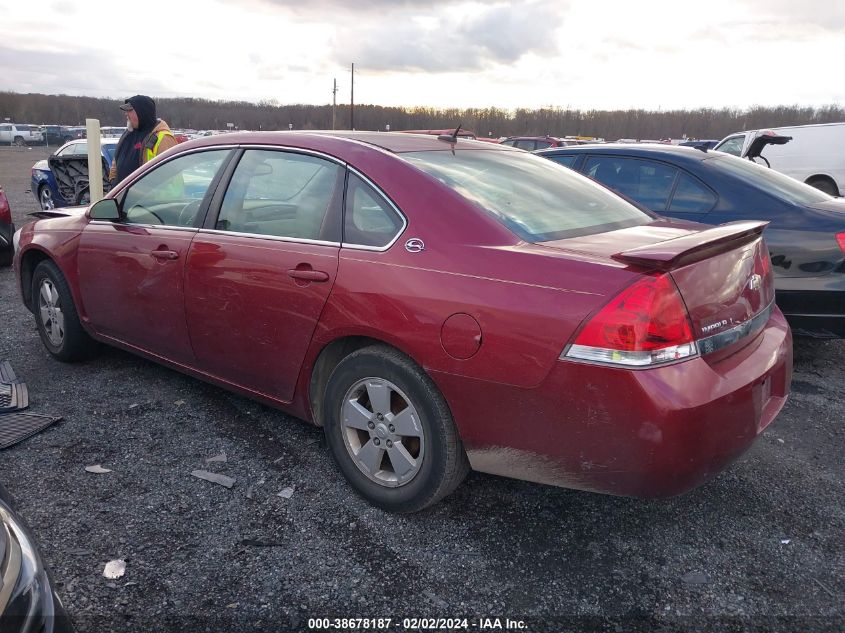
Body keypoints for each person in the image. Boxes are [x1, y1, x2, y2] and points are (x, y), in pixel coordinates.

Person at [109, 95, 177, 185]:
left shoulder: (163, 138)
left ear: (142, 112)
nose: (126, 114)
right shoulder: (128, 134)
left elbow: (168, 177)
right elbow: (116, 162)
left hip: (153, 198)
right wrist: (113, 181)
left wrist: (141, 194)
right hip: (123, 196)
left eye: (130, 110)